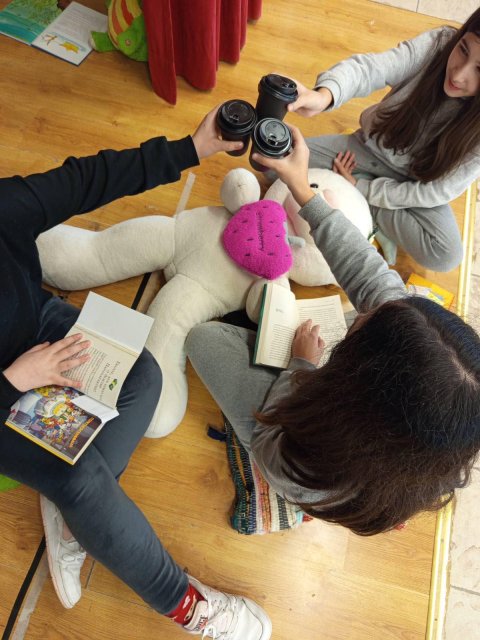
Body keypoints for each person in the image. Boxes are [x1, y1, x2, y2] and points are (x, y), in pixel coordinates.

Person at [0, 106, 272, 640]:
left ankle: (77, 516)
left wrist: (190, 148)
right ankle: (188, 606)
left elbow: (85, 179)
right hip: (6, 384)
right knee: (79, 479)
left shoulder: (4, 205)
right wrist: (15, 381)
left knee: (143, 374)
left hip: (35, 326)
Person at [185, 124, 480, 536]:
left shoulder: (308, 468)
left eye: (361, 325)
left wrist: (300, 366)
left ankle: (278, 501)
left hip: (290, 458)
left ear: (348, 393)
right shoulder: (442, 426)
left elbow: (272, 444)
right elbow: (366, 272)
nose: (360, 313)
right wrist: (303, 190)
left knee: (203, 340)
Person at [281, 7, 480, 271]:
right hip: (366, 152)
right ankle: (369, 206)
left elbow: (437, 191)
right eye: (463, 49)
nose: (458, 74)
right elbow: (372, 68)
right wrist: (325, 95)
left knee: (445, 255)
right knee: (276, 161)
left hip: (417, 182)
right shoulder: (439, 44)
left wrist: (363, 188)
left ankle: (368, 206)